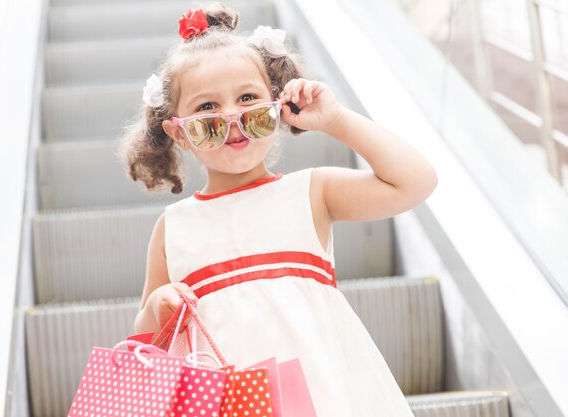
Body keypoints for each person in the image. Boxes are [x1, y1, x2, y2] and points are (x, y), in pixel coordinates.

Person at [119, 4, 438, 416]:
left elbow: (415, 181)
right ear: (177, 133)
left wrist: (337, 121)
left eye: (248, 98)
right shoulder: (174, 226)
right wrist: (158, 304)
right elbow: (146, 332)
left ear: (276, 103)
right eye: (206, 108)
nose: (231, 116)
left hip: (323, 393)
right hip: (226, 401)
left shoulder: (311, 192)